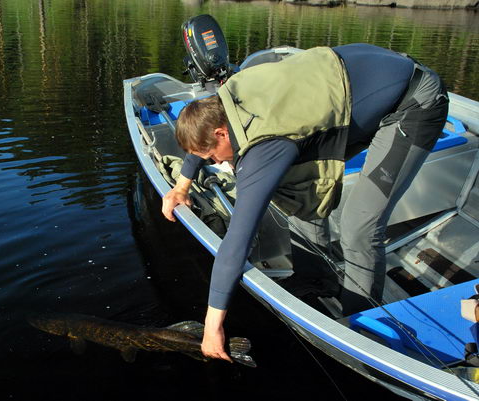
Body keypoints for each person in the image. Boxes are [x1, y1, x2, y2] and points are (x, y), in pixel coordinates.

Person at [161, 43, 449, 363]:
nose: (216, 163)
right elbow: (199, 133)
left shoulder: (265, 147)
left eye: (213, 157)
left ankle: (359, 325)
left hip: (412, 103)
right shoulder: (226, 98)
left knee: (359, 226)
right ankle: (316, 279)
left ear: (222, 134)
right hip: (354, 94)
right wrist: (182, 185)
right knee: (298, 192)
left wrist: (212, 328)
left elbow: (237, 243)